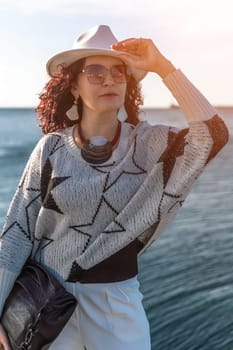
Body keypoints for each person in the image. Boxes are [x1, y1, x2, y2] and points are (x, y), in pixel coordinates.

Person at [0, 24, 229, 350]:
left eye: (118, 72)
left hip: (115, 304)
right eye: (94, 72)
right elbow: (16, 234)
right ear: (74, 85)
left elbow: (213, 135)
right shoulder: (51, 149)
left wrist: (163, 66)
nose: (108, 80)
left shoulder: (149, 144)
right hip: (44, 302)